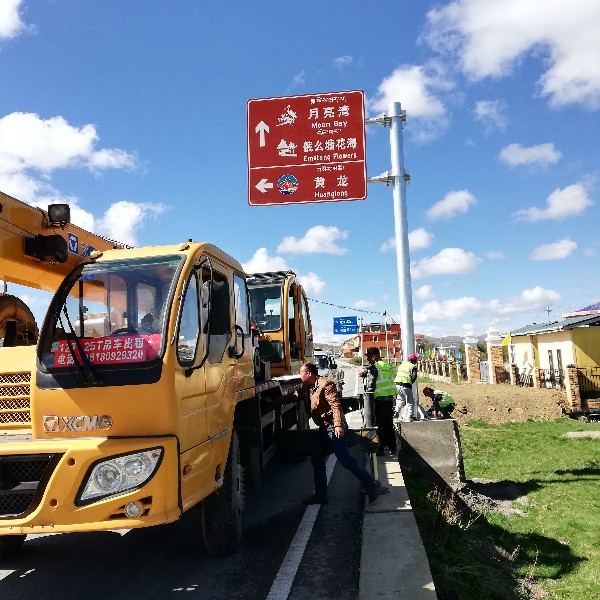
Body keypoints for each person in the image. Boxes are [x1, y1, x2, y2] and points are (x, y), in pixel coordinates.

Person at [298, 362, 388, 505]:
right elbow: (295, 395)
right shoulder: (307, 387)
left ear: (309, 373)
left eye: (300, 372)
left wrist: (338, 425)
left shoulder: (325, 384)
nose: (299, 375)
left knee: (345, 460)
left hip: (333, 427)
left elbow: (335, 405)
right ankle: (321, 496)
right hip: (324, 429)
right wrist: (273, 400)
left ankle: (371, 486)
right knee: (317, 459)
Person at [363, 347, 398, 456]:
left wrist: (367, 393)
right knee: (389, 425)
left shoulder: (375, 367)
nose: (367, 359)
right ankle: (393, 448)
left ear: (373, 356)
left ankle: (381, 448)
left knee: (380, 425)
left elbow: (371, 384)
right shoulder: (387, 365)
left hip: (379, 400)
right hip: (389, 399)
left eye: (368, 357)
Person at [394, 353, 419, 421]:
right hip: (405, 384)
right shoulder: (413, 366)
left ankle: (396, 411)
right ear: (414, 360)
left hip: (397, 384)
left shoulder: (402, 365)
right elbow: (414, 377)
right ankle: (410, 416)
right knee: (410, 401)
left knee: (400, 400)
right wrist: (410, 383)